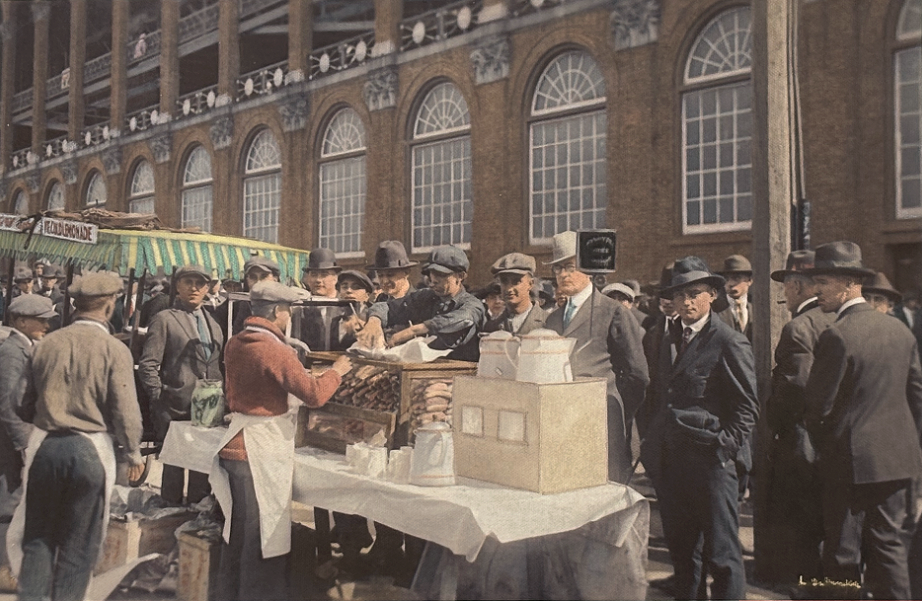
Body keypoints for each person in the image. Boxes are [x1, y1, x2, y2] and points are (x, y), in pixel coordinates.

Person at [213, 281, 351, 601]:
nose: (288, 318)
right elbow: (315, 395)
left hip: (236, 444)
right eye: (287, 312)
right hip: (259, 449)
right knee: (263, 538)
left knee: (238, 535)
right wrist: (337, 371)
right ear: (277, 312)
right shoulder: (276, 349)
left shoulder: (236, 342)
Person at [12, 271, 144, 600]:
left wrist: (45, 414)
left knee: (38, 539)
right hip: (90, 450)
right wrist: (133, 453)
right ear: (110, 306)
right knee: (78, 544)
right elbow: (126, 411)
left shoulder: (45, 345)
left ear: (74, 305)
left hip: (47, 447)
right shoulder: (115, 350)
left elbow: (21, 403)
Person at [804, 241, 922, 600]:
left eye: (822, 282)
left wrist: (827, 450)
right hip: (896, 462)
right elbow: (917, 398)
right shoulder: (900, 331)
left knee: (841, 556)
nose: (815, 290)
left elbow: (817, 411)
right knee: (889, 552)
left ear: (849, 283)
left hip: (850, 464)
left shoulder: (837, 335)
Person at [639, 263, 758, 601]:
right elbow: (659, 396)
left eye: (694, 294)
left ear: (712, 296)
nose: (686, 302)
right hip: (673, 464)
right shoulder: (669, 337)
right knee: (684, 554)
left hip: (712, 466)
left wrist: (723, 449)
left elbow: (747, 408)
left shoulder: (728, 341)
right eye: (679, 295)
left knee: (722, 556)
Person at [543, 231, 649, 483]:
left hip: (603, 424)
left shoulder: (613, 312)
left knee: (605, 498)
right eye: (558, 268)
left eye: (570, 266)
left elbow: (638, 376)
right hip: (562, 426)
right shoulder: (552, 319)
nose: (563, 275)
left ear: (589, 269)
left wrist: (616, 411)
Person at [763, 250, 832, 582]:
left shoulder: (799, 327)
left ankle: (805, 583)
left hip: (803, 440)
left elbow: (795, 389)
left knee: (801, 522)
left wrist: (773, 421)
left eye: (787, 286)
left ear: (799, 287)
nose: (785, 294)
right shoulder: (838, 318)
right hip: (837, 441)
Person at [138, 265, 225, 505]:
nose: (194, 288)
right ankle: (168, 522)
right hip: (174, 410)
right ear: (177, 286)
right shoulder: (164, 319)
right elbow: (148, 365)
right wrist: (160, 397)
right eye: (188, 282)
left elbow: (216, 365)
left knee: (201, 474)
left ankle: (193, 527)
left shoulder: (214, 323)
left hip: (206, 413)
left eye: (200, 283)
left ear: (208, 288)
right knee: (173, 475)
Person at [356, 246, 485, 362]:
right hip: (425, 373)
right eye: (431, 274)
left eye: (440, 275)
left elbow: (463, 319)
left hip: (462, 377)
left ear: (460, 276)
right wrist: (374, 321)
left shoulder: (472, 305)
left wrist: (414, 330)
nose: (433, 280)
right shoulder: (426, 297)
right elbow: (390, 307)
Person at [0, 297, 56, 541]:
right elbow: (6, 403)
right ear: (21, 321)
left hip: (17, 437)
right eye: (41, 320)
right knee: (9, 502)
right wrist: (23, 442)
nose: (47, 326)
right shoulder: (13, 352)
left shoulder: (27, 346)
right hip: (10, 441)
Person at [482, 253, 547, 335]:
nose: (509, 289)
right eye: (504, 281)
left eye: (516, 282)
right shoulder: (491, 327)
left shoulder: (549, 321)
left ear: (530, 284)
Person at [299, 248, 344, 352]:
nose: (318, 280)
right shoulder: (300, 308)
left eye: (324, 275)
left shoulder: (346, 306)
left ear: (335, 278)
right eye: (314, 275)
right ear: (307, 278)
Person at [330, 270, 374, 351]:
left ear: (367, 295)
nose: (349, 291)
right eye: (344, 287)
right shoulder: (334, 320)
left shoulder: (372, 318)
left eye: (356, 287)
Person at [716, 254, 753, 341]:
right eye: (726, 279)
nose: (730, 284)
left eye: (736, 278)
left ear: (749, 281)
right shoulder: (715, 310)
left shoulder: (758, 310)